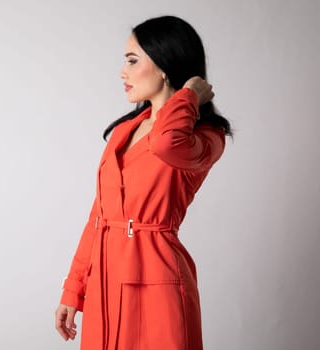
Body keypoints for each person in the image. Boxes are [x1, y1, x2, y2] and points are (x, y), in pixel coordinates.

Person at [54, 15, 232, 350]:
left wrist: (190, 94)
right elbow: (98, 218)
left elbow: (166, 142)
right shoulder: (123, 132)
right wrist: (74, 290)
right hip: (105, 284)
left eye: (133, 61)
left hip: (155, 284)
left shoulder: (205, 136)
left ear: (165, 65)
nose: (123, 72)